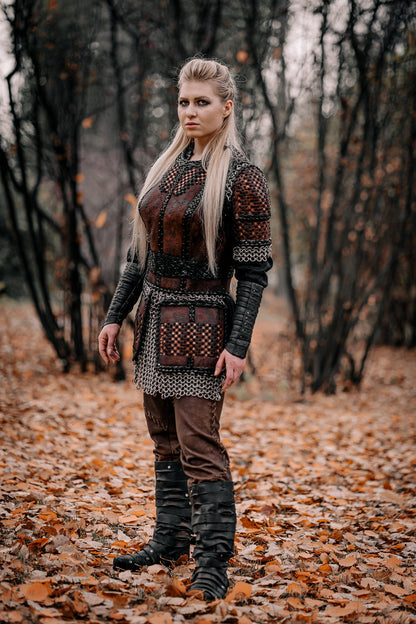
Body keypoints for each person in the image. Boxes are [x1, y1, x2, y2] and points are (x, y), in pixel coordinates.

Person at [98, 57, 272, 601]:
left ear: (227, 107)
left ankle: (213, 560)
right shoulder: (166, 169)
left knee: (199, 447)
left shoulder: (242, 177)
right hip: (152, 323)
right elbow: (137, 258)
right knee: (164, 442)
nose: (190, 111)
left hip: (203, 328)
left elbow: (254, 270)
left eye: (201, 102)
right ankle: (169, 539)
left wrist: (238, 345)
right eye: (183, 102)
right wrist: (112, 315)